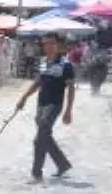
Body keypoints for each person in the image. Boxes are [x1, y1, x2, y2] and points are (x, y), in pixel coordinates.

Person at [15, 33, 75, 183]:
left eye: (51, 43)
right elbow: (37, 83)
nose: (48, 47)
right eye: (45, 44)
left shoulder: (65, 65)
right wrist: (24, 98)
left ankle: (36, 173)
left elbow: (71, 88)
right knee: (45, 136)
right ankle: (62, 164)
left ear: (58, 46)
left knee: (39, 139)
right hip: (41, 104)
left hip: (55, 104)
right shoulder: (43, 62)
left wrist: (68, 110)